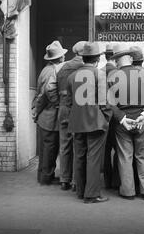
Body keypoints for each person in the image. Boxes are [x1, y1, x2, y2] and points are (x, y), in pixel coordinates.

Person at [66, 42, 112, 203]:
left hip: (77, 122)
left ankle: (80, 191)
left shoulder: (71, 77)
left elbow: (69, 102)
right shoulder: (100, 75)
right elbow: (104, 102)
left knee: (79, 156)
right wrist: (105, 119)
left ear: (83, 58)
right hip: (95, 122)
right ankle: (91, 194)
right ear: (98, 59)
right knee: (93, 158)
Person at [108, 43, 144, 200]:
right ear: (129, 58)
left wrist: (121, 118)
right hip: (143, 120)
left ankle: (128, 191)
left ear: (117, 61)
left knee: (125, 156)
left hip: (123, 121)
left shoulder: (112, 77)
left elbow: (108, 103)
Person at [32, 41, 67, 185]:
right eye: (63, 55)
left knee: (46, 148)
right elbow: (45, 93)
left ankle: (45, 176)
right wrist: (57, 103)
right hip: (49, 117)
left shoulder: (45, 69)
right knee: (49, 149)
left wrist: (36, 111)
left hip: (44, 116)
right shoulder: (53, 71)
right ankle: (46, 178)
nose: (64, 57)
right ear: (59, 58)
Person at [55, 41, 85, 191]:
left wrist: (58, 103)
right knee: (77, 145)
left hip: (63, 108)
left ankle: (64, 179)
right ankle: (75, 181)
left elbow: (53, 87)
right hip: (77, 108)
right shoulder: (84, 67)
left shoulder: (62, 67)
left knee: (64, 145)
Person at [102, 43, 119, 189]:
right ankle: (116, 180)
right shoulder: (119, 74)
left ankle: (107, 181)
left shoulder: (99, 72)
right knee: (119, 150)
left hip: (103, 117)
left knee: (105, 151)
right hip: (117, 117)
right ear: (115, 58)